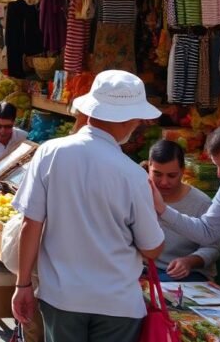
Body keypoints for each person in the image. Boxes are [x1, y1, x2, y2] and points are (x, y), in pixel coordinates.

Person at [12, 70, 164, 341]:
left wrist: (23, 283)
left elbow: (30, 224)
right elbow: (152, 249)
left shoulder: (50, 152)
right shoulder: (133, 175)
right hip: (117, 303)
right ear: (128, 119)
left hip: (62, 297)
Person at [152, 124, 220, 295]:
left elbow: (211, 245)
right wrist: (163, 210)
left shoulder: (201, 199)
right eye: (216, 166)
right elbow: (207, 231)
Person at [146, 140, 219, 282]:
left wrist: (189, 261)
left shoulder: (201, 202)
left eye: (172, 175)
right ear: (148, 168)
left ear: (183, 171)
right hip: (148, 269)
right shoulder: (139, 195)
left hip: (188, 274)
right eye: (157, 174)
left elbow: (213, 248)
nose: (164, 182)